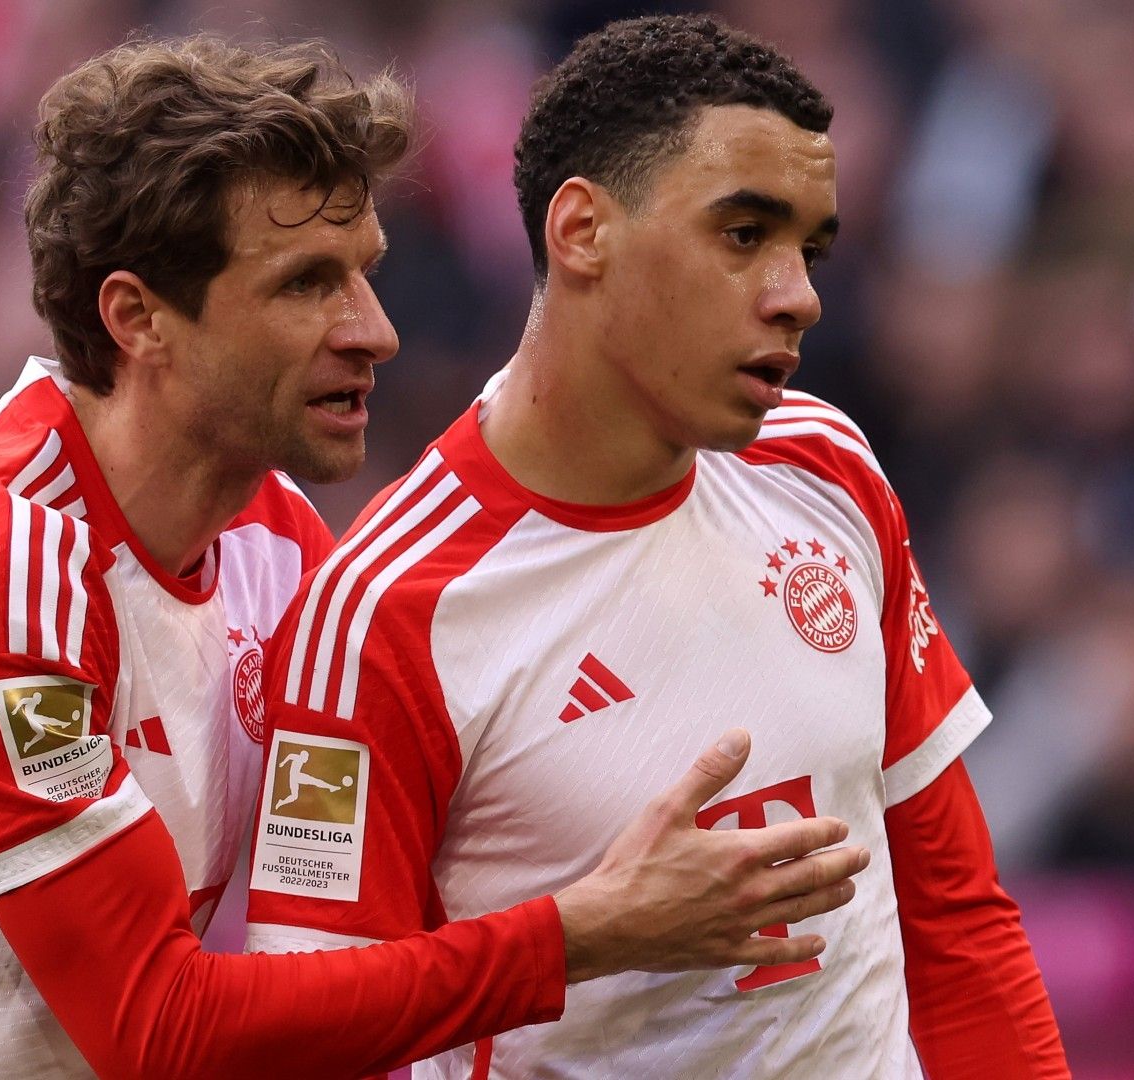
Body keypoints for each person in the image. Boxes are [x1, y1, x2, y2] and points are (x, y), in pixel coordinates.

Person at [0, 32, 869, 1080]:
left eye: (368, 275)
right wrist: (582, 935)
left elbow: (340, 938)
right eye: (306, 285)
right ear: (137, 319)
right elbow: (158, 1025)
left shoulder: (283, 550)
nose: (375, 331)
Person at [247, 15, 1070, 1078]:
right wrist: (580, 937)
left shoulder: (826, 470)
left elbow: (954, 915)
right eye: (743, 236)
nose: (800, 294)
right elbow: (310, 1035)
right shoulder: (385, 610)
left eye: (808, 249)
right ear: (583, 230)